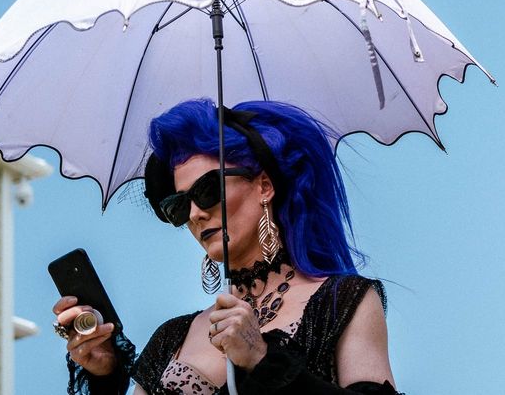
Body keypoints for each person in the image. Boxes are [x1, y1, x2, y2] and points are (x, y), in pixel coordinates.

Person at [53, 99, 401, 394]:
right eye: (178, 205)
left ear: (264, 185)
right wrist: (104, 373)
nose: (195, 213)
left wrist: (262, 360)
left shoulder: (343, 302)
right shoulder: (170, 338)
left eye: (208, 190)